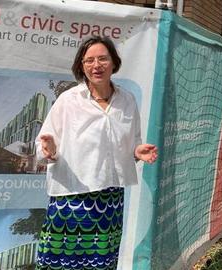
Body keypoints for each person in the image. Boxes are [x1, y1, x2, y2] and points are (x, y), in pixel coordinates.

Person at [35, 36, 158, 270]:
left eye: (102, 58)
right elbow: (41, 147)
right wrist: (48, 150)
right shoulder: (68, 100)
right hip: (71, 197)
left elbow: (129, 145)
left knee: (101, 264)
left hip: (109, 200)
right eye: (89, 60)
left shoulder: (127, 100)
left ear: (114, 63)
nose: (96, 65)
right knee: (60, 264)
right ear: (81, 67)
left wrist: (136, 151)